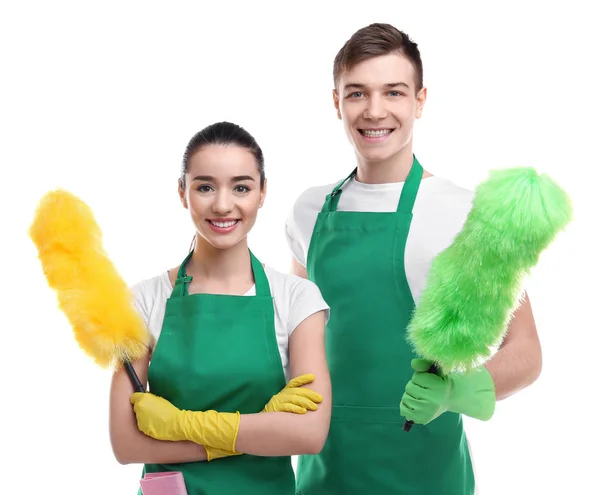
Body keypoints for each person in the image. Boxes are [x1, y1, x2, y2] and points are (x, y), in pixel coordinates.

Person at [285, 23, 541, 494]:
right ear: (336, 102)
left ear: (420, 101)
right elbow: (297, 346)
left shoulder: (465, 213)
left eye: (394, 92)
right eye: (357, 93)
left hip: (426, 472)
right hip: (326, 470)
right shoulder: (308, 212)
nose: (374, 110)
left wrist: (460, 389)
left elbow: (525, 350)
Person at [109, 121, 332, 495]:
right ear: (182, 192)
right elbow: (126, 443)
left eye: (241, 187)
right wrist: (262, 427)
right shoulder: (142, 301)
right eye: (205, 187)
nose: (223, 204)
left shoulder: (297, 298)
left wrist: (180, 425)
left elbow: (309, 433)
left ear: (262, 193)